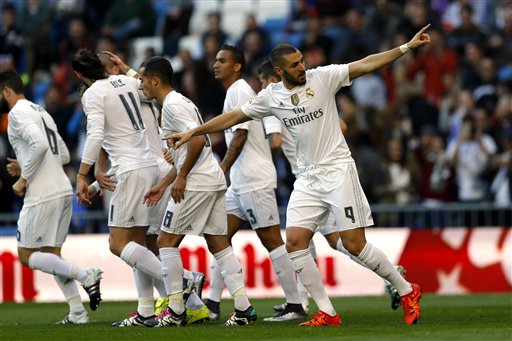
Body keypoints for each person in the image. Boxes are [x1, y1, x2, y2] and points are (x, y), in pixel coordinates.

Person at [166, 24, 432, 327]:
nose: (303, 66)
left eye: (302, 60)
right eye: (295, 64)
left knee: (354, 244)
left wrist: (406, 48)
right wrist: (194, 131)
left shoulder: (322, 78)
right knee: (294, 242)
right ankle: (327, 312)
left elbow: (367, 64)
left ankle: (407, 289)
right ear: (280, 71)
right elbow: (235, 117)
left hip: (337, 171)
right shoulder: (271, 96)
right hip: (306, 179)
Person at [258, 60, 406, 312]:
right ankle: (306, 301)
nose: (261, 87)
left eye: (262, 81)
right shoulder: (311, 98)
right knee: (319, 240)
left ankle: (303, 301)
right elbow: (342, 126)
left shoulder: (275, 102)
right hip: (313, 179)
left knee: (328, 241)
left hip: (313, 177)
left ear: (271, 79)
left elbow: (275, 141)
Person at [91, 52, 208, 326]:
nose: (141, 82)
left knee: (134, 245)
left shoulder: (115, 95)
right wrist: (128, 69)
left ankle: (173, 291)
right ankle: (190, 305)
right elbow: (147, 82)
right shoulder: (139, 91)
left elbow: (110, 142)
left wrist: (93, 178)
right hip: (158, 171)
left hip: (151, 175)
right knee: (145, 246)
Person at [139, 56, 257, 327]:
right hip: (211, 178)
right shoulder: (180, 101)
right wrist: (165, 182)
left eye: (143, 80)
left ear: (155, 80)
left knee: (164, 242)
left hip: (197, 182)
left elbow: (195, 143)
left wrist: (180, 177)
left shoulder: (172, 105)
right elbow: (193, 144)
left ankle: (177, 311)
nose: (141, 85)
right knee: (218, 243)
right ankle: (243, 308)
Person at [205, 45, 305, 322]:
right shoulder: (233, 91)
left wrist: (222, 168)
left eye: (222, 61)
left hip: (253, 179)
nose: (216, 64)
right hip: (240, 182)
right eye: (215, 60)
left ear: (236, 66)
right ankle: (212, 303)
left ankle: (295, 305)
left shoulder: (239, 89)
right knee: (219, 239)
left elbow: (240, 134)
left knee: (271, 239)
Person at [1, 69, 102, 324]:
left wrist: (24, 179)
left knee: (26, 255)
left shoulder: (16, 114)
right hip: (61, 188)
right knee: (52, 255)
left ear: (6, 91)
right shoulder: (40, 110)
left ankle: (85, 274)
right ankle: (77, 312)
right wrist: (25, 165)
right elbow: (64, 155)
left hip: (42, 193)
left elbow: (41, 145)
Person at [71, 48, 164, 326]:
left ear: (78, 74)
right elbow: (149, 91)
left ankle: (181, 280)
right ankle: (147, 311)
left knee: (117, 244)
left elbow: (96, 133)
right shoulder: (125, 80)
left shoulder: (92, 94)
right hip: (148, 165)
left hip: (129, 170)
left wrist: (82, 174)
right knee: (137, 242)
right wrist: (127, 68)